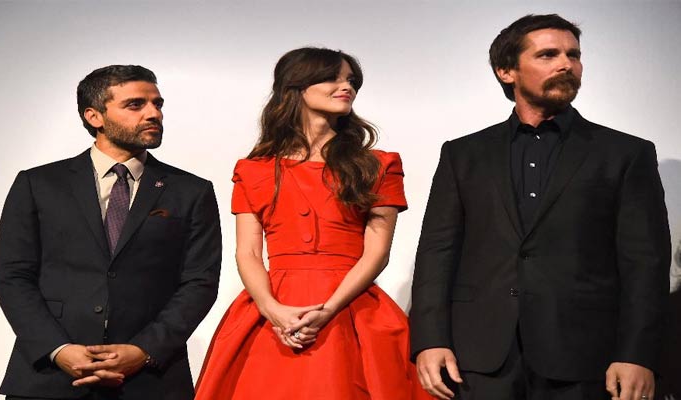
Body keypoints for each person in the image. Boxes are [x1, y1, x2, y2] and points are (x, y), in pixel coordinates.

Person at [410, 14, 670, 400]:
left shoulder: (626, 153)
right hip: (479, 357)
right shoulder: (463, 154)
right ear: (506, 71)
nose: (567, 64)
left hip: (585, 356)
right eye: (548, 54)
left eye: (574, 54)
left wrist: (637, 353)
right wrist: (430, 340)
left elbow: (645, 262)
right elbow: (437, 251)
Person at [194, 47, 430, 400]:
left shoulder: (377, 165)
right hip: (275, 307)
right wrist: (273, 311)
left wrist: (328, 310)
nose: (345, 86)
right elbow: (247, 253)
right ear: (297, 86)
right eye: (332, 77)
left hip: (351, 307)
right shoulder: (254, 169)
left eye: (351, 80)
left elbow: (377, 253)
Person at [0, 65, 222, 400]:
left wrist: (143, 350)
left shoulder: (191, 191)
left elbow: (200, 282)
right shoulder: (39, 184)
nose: (153, 113)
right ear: (94, 116)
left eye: (157, 104)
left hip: (150, 380)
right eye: (135, 105)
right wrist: (58, 349)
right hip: (48, 377)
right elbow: (12, 276)